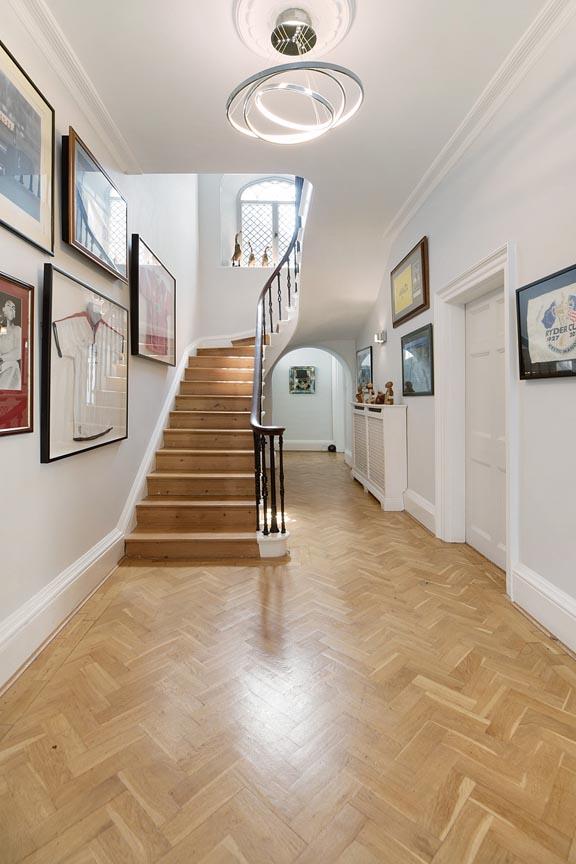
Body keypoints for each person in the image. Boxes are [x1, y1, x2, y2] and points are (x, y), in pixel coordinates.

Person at [0, 298, 22, 390]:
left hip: (11, 367)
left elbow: (19, 352)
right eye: (9, 306)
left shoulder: (17, 329)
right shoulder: (2, 330)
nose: (12, 309)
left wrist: (2, 359)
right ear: (3, 309)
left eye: (14, 307)